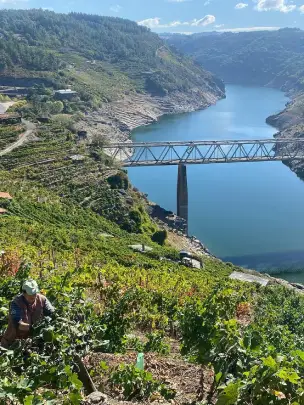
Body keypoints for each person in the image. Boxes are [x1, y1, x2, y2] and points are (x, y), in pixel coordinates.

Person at [0, 279, 55, 349]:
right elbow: (18, 324)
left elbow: (52, 313)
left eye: (34, 293)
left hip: (34, 342)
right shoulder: (16, 303)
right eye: (30, 294)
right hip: (13, 342)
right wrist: (37, 329)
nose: (33, 296)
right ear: (23, 293)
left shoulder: (42, 299)